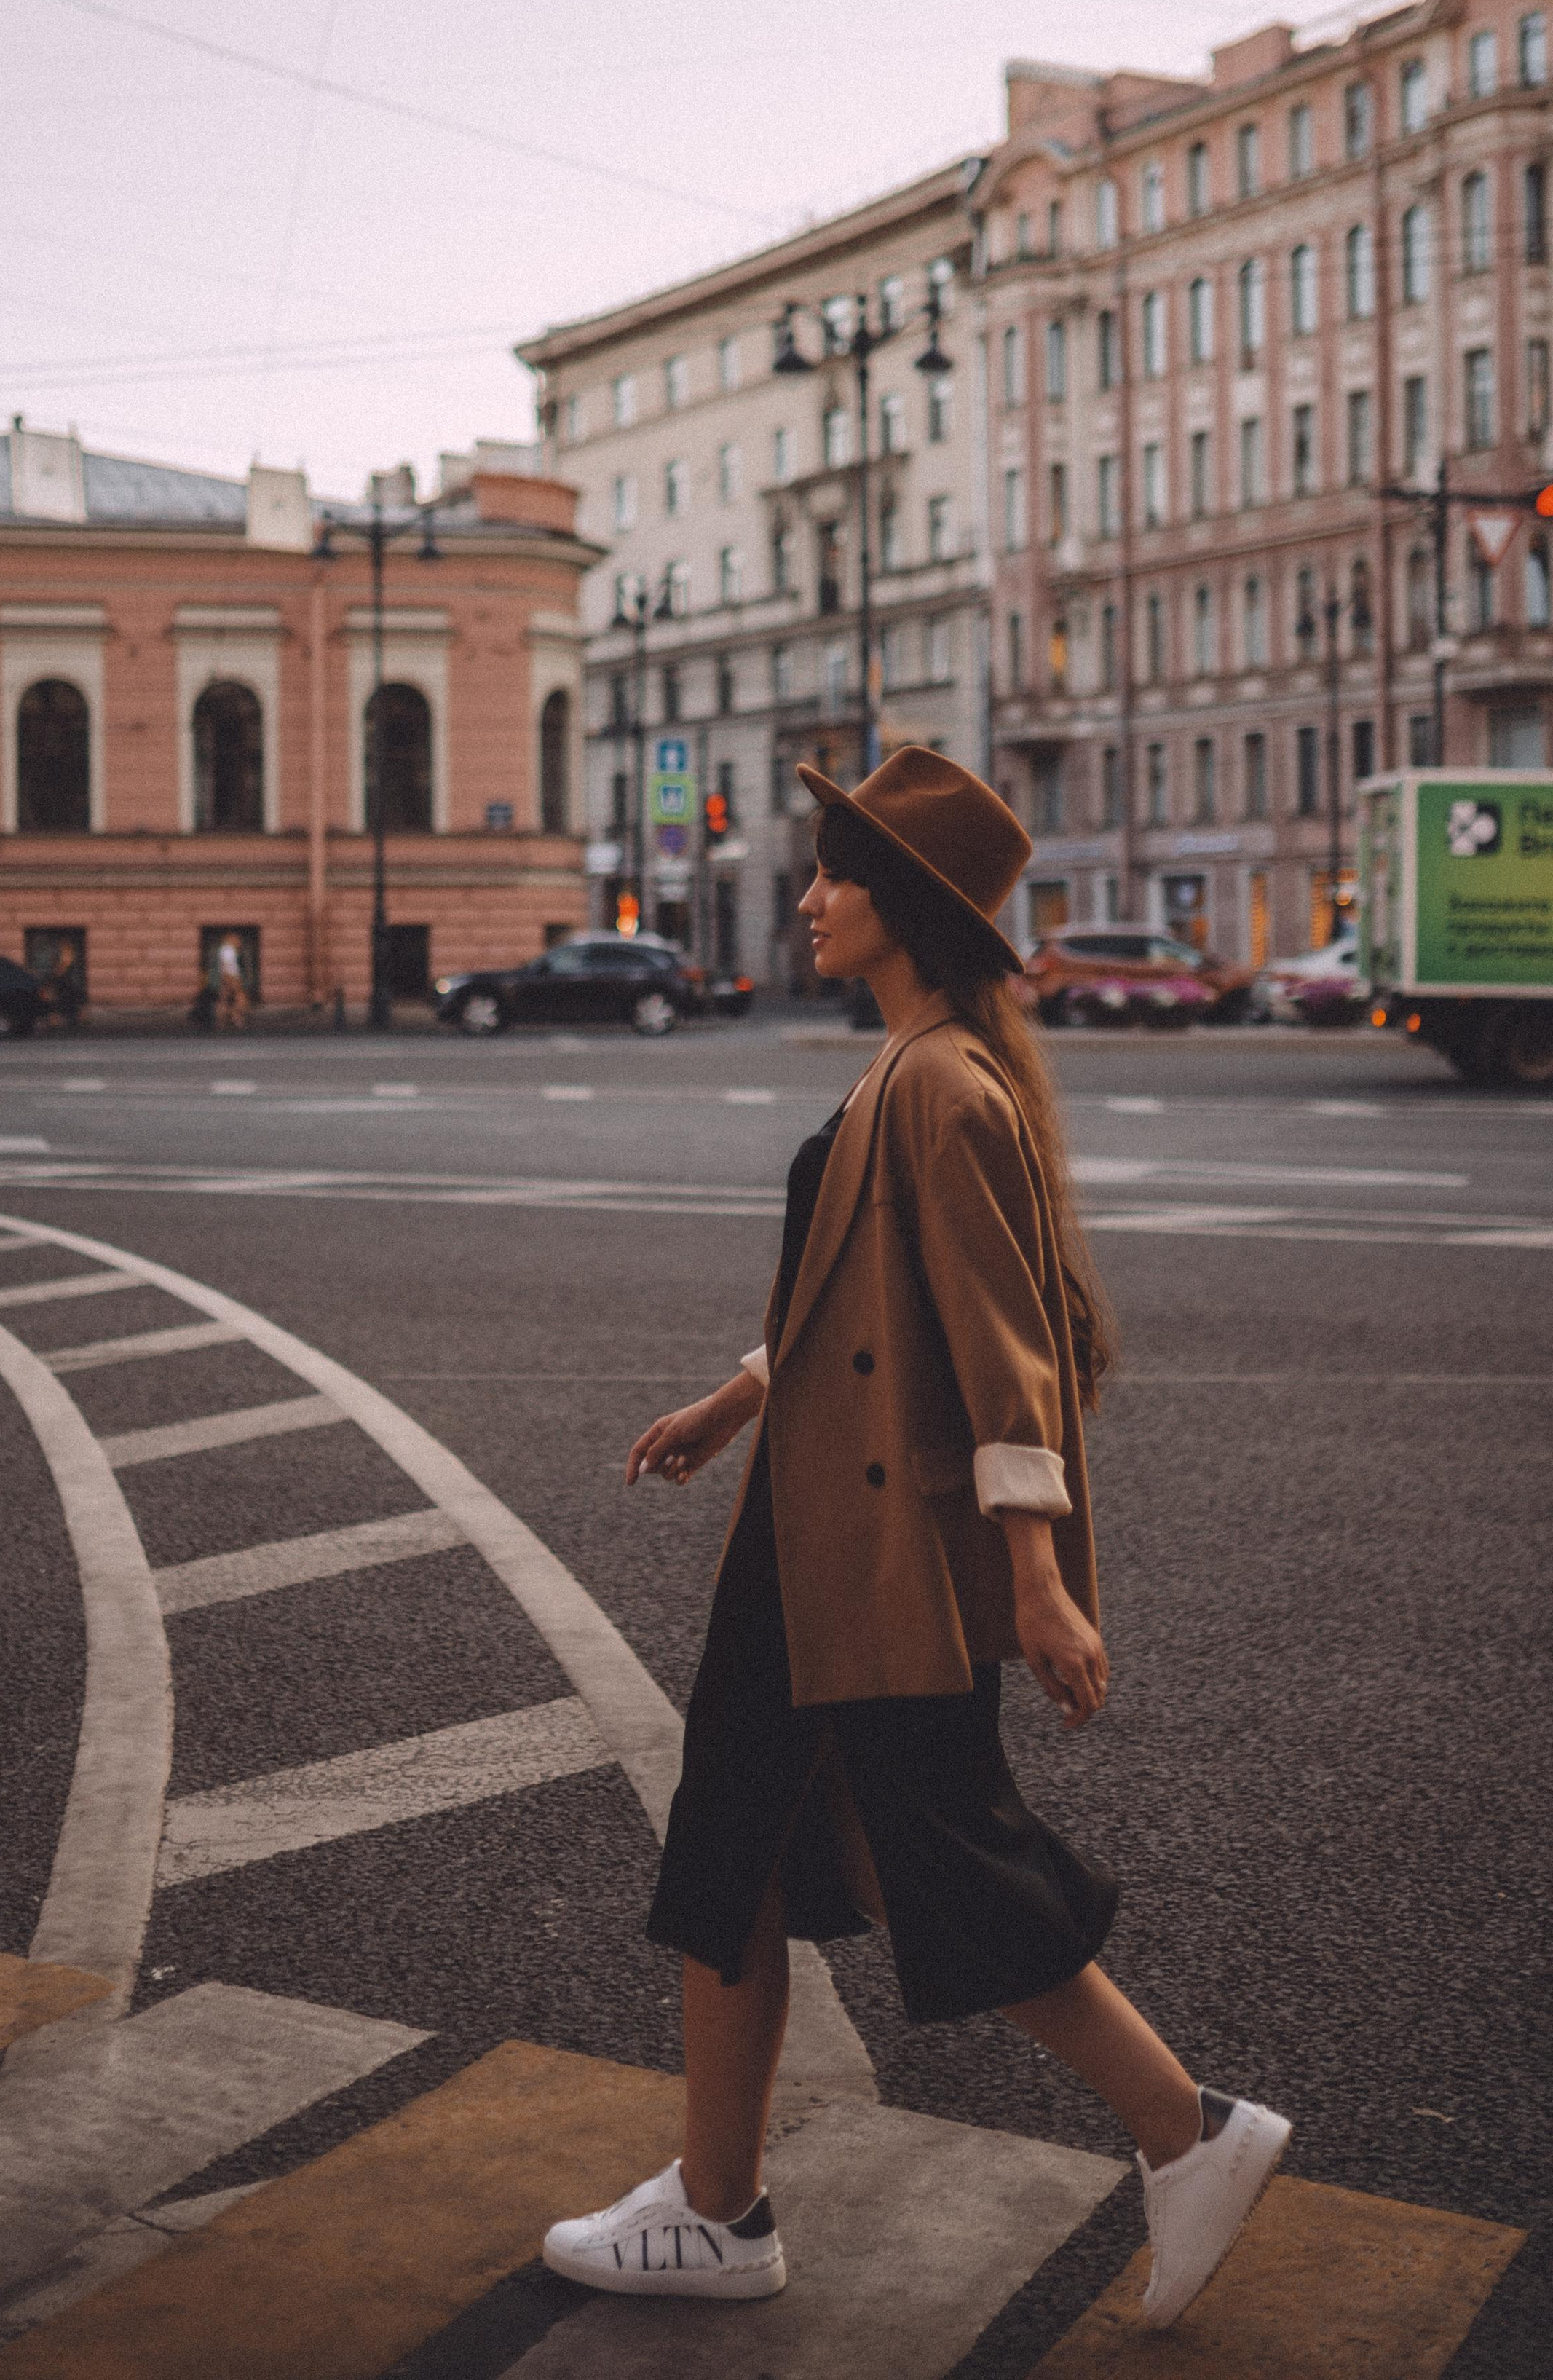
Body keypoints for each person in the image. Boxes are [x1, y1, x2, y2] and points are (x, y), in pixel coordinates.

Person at [543, 749, 1289, 2330]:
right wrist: (730, 1403)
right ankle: (717, 2200)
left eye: (832, 875)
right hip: (818, 1536)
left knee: (921, 1857)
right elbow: (854, 1308)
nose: (806, 899)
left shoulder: (941, 1084)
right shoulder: (905, 1067)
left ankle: (1185, 2128)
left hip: (872, 1562)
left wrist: (1036, 1582)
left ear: (904, 907)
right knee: (747, 1843)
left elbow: (1003, 1350)